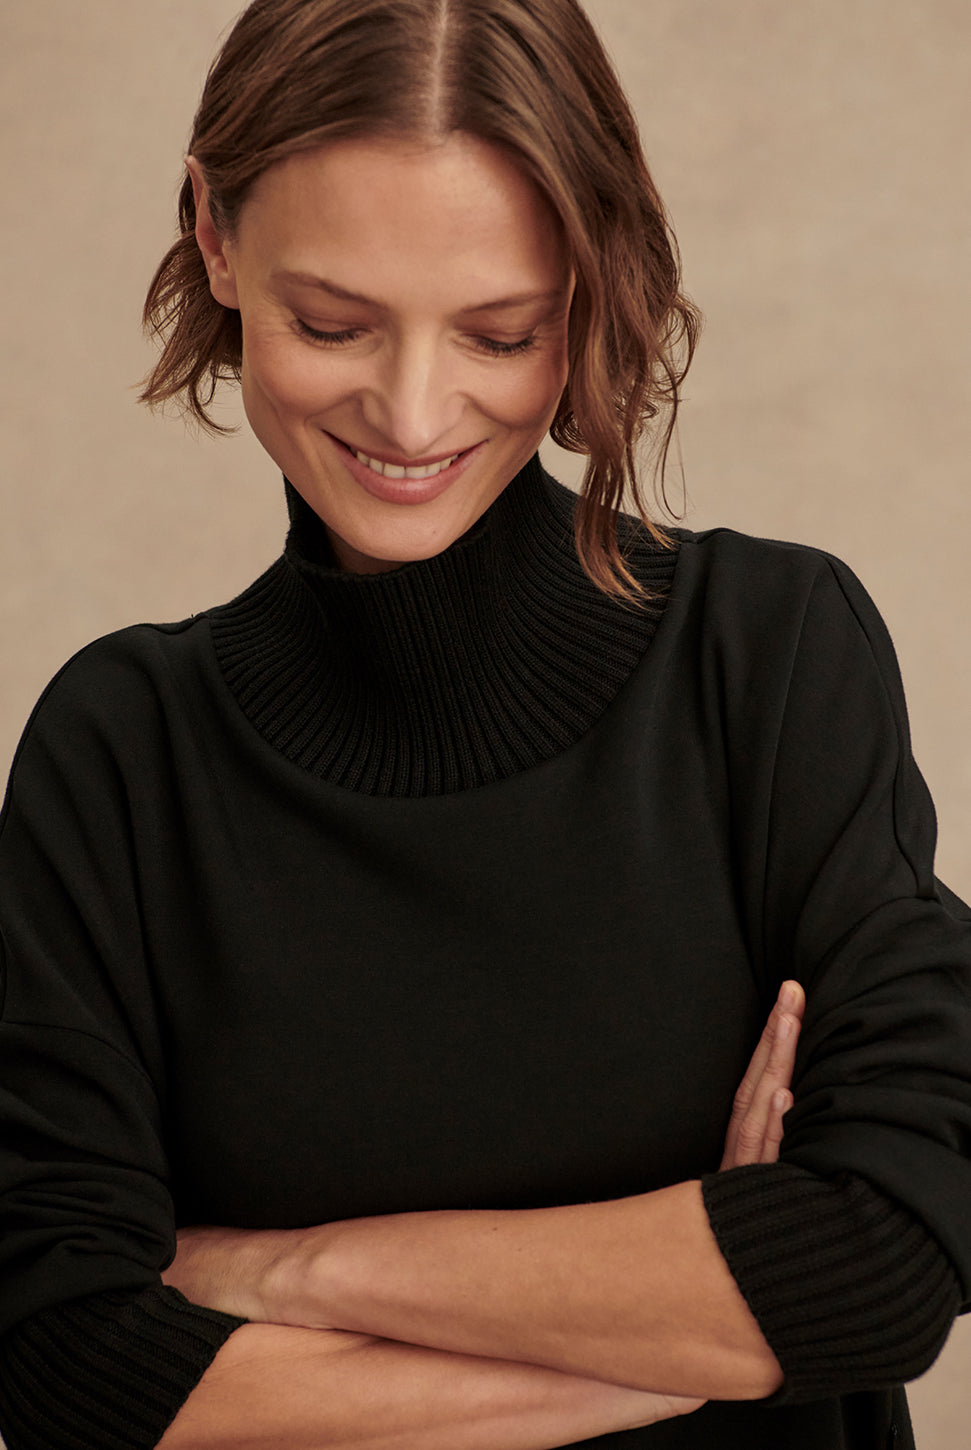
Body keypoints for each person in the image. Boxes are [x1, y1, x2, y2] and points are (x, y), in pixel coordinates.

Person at [1, 1, 969, 1447]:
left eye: (501, 332)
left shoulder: (770, 658)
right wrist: (691, 1340)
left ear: (588, 289)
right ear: (213, 235)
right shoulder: (117, 753)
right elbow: (66, 1360)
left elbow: (887, 1251)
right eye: (332, 323)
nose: (411, 414)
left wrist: (288, 1270)